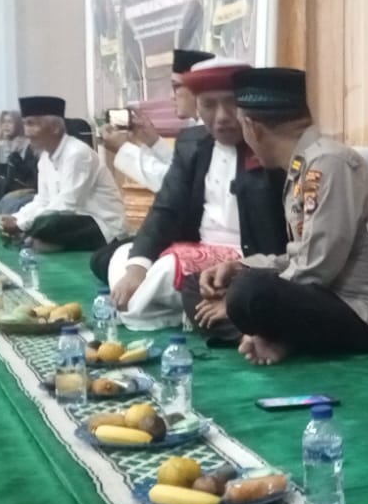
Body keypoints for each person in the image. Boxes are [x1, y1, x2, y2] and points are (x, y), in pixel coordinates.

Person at [194, 67, 368, 363]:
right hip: (329, 299)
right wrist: (240, 266)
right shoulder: (306, 165)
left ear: (251, 127)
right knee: (200, 285)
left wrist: (240, 297)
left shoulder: (329, 164)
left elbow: (316, 268)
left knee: (247, 294)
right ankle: (272, 337)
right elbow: (302, 257)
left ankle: (263, 333)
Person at [98, 58, 288, 330]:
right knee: (123, 256)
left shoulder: (267, 147)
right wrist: (137, 267)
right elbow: (166, 207)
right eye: (209, 105)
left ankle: (163, 310)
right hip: (196, 248)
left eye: (231, 103)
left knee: (166, 271)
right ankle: (173, 309)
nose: (222, 116)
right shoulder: (192, 143)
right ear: (197, 106)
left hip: (246, 257)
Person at [0, 96, 125, 252]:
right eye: (24, 124)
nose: (26, 132)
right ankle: (38, 239)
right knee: (32, 216)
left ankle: (34, 238)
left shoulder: (76, 153)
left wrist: (21, 225)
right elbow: (43, 200)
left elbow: (67, 205)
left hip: (103, 226)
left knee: (49, 223)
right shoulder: (45, 157)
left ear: (55, 128)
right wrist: (17, 218)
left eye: (31, 124)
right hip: (71, 221)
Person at [104, 48, 213, 193]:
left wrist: (123, 149)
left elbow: (175, 183)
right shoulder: (198, 128)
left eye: (176, 87)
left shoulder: (213, 132)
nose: (171, 95)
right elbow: (181, 168)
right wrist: (154, 142)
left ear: (198, 89)